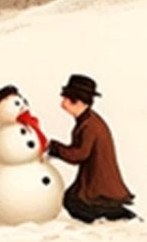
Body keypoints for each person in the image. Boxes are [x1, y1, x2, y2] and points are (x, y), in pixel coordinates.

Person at [48, 73, 136, 223]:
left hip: (98, 182)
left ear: (78, 101)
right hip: (90, 178)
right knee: (74, 199)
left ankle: (119, 217)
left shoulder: (90, 125)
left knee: (76, 202)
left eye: (66, 99)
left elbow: (79, 155)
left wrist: (54, 148)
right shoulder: (87, 120)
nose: (62, 103)